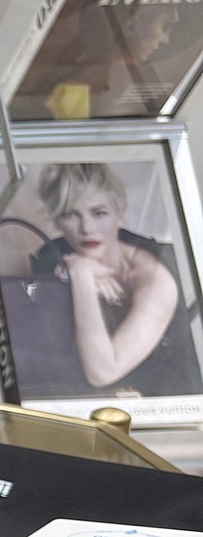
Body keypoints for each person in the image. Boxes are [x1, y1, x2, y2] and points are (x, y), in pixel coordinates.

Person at [30, 162, 201, 395]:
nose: (87, 228)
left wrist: (81, 276)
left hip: (172, 404)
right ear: (57, 221)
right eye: (71, 215)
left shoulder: (156, 279)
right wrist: (72, 269)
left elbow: (102, 372)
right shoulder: (53, 255)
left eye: (99, 213)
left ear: (120, 215)